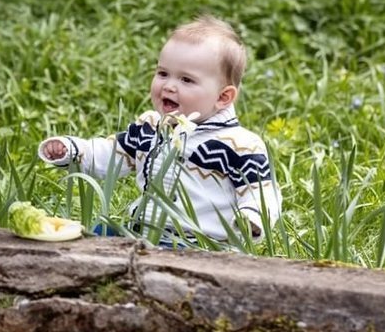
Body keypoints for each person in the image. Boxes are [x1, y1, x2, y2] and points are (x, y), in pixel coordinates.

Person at [38, 15, 281, 246]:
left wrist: (252, 219)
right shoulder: (150, 129)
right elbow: (109, 155)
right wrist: (71, 150)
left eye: (186, 80)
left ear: (223, 97)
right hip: (141, 234)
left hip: (202, 246)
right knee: (96, 236)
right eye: (163, 73)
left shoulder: (238, 145)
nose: (169, 86)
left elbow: (261, 192)